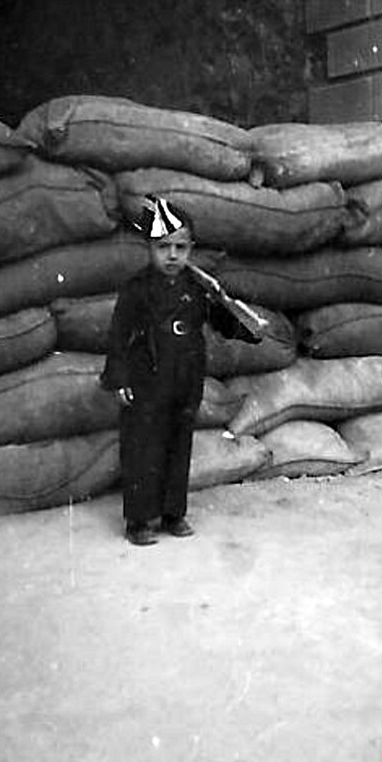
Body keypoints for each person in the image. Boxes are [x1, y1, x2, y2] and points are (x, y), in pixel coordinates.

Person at [101, 194, 263, 546]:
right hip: (147, 382)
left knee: (178, 446)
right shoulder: (137, 291)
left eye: (180, 247)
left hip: (185, 380)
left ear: (191, 249)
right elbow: (118, 337)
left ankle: (174, 513)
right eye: (163, 247)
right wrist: (120, 378)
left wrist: (244, 328)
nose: (172, 256)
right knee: (144, 448)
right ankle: (140, 520)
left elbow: (219, 318)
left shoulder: (197, 289)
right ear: (149, 248)